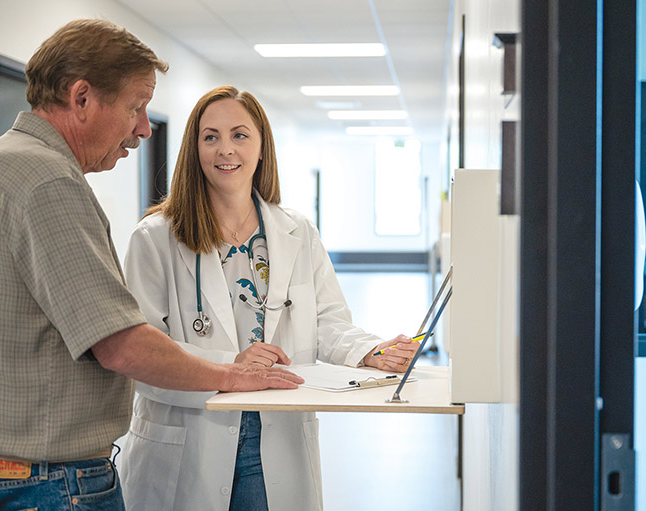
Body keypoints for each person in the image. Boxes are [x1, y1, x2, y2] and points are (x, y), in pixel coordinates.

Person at [0, 20, 302, 511]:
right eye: (136, 106)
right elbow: (120, 343)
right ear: (82, 98)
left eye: (240, 135)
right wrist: (233, 373)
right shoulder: (49, 181)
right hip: (50, 483)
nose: (143, 126)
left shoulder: (5, 162)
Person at [117, 86, 420, 511]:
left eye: (240, 135)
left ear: (262, 148)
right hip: (190, 436)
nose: (226, 150)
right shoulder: (155, 238)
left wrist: (368, 349)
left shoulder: (296, 232)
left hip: (275, 438)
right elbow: (141, 354)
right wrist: (229, 367)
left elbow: (328, 320)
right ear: (194, 148)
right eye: (211, 137)